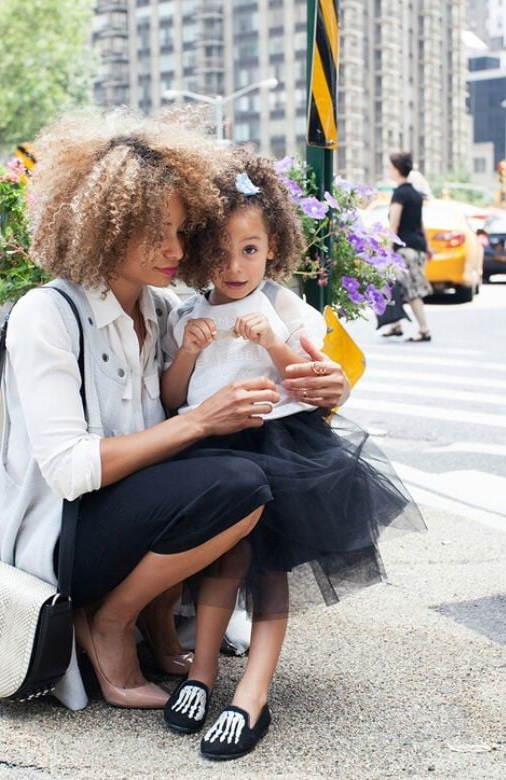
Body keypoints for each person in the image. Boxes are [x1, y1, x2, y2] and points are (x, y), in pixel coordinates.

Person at [0, 111, 353, 713]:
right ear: (105, 228)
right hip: (65, 536)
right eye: (155, 232)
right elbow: (70, 470)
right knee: (237, 482)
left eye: (184, 232)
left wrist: (330, 386)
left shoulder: (164, 312)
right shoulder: (46, 314)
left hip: (132, 518)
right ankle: (110, 621)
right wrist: (200, 420)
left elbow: (260, 364)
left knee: (242, 477)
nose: (175, 250)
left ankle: (160, 628)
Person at [159, 148, 423, 760]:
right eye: (220, 253)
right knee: (219, 562)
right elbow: (175, 396)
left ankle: (253, 689)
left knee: (267, 566)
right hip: (211, 447)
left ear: (272, 247)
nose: (234, 265)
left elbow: (312, 379)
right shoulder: (189, 313)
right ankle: (201, 674)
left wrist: (274, 343)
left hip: (280, 447)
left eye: (249, 250)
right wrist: (191, 353)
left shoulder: (284, 307)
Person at [376, 152, 432, 342]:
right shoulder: (416, 194)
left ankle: (424, 329)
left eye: (390, 167)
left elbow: (394, 225)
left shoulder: (399, 194)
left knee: (411, 289)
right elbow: (420, 223)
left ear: (397, 169)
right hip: (418, 246)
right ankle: (395, 325)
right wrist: (428, 246)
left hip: (405, 249)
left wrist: (388, 250)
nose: (389, 171)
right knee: (394, 285)